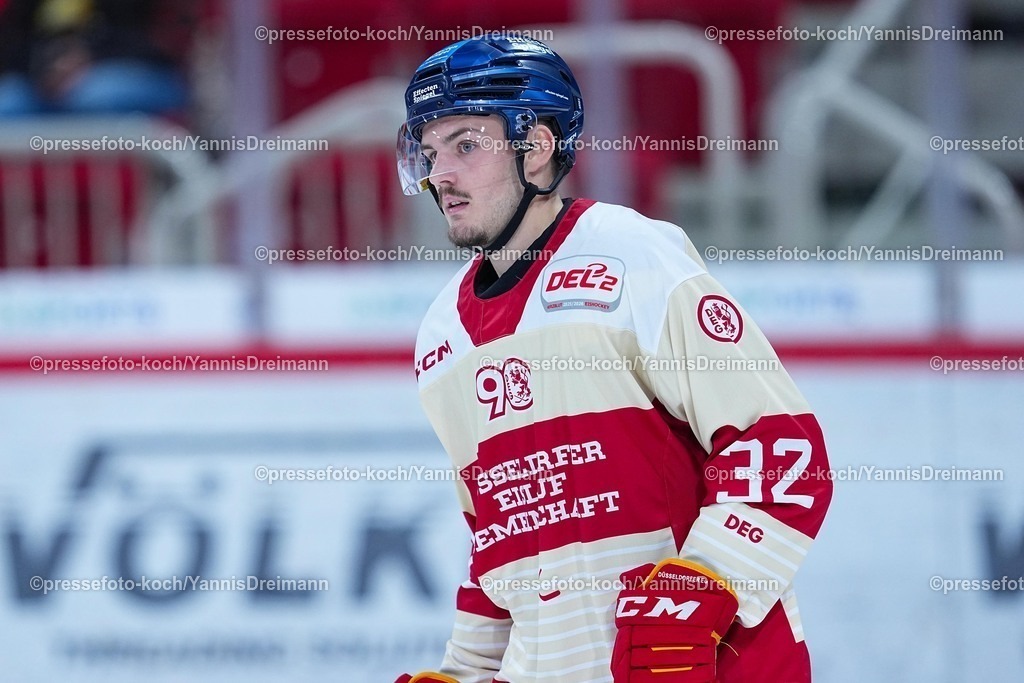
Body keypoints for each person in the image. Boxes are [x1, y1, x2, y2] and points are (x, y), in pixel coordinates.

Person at [394, 34, 832, 683]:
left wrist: (700, 592)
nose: (442, 175)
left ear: (536, 148)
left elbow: (783, 450)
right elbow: (499, 538)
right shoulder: (440, 337)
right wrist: (463, 670)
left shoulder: (634, 255)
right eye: (429, 152)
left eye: (465, 144)